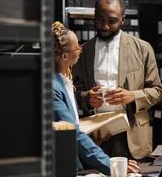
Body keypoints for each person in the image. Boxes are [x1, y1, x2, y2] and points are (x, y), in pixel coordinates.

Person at [73, 0, 162, 160]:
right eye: (99, 19)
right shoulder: (83, 52)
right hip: (97, 135)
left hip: (133, 134)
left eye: (112, 21)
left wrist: (132, 96)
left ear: (123, 19)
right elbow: (73, 91)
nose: (105, 26)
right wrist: (86, 98)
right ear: (94, 16)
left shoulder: (143, 49)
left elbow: (157, 91)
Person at [51, 21, 139, 175]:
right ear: (65, 56)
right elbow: (71, 134)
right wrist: (111, 165)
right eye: (77, 46)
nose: (81, 49)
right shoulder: (53, 86)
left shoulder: (65, 79)